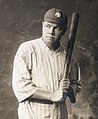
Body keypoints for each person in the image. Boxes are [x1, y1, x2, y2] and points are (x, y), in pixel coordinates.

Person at [12, 8, 81, 119]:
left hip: (59, 114)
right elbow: (20, 86)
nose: (51, 32)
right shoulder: (27, 49)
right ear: (42, 25)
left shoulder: (69, 58)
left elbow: (75, 87)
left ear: (64, 30)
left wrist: (68, 89)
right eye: (48, 26)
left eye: (57, 28)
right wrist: (52, 95)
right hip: (33, 114)